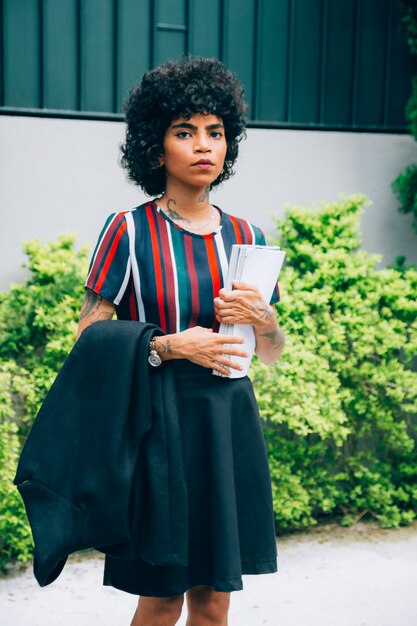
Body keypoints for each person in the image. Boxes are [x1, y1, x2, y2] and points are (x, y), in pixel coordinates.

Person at [76, 56, 285, 626]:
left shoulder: (249, 237)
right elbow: (88, 343)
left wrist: (264, 319)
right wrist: (170, 346)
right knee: (164, 598)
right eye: (184, 131)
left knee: (215, 602)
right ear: (156, 145)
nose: (203, 146)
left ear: (229, 143)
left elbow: (268, 352)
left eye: (215, 132)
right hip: (161, 428)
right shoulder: (129, 228)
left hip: (228, 424)